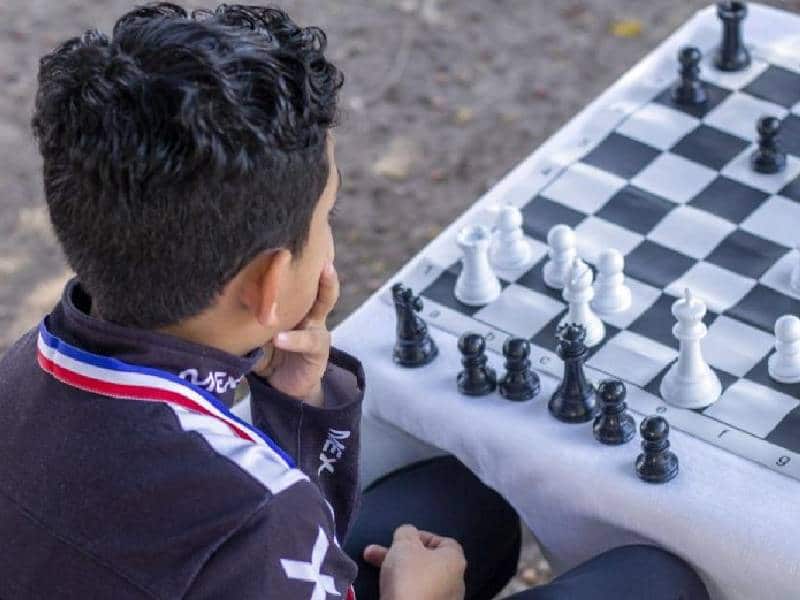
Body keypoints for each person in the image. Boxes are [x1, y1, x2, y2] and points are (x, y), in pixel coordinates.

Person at [0, 3, 709, 599]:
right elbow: (249, 521)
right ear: (272, 283)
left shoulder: (23, 370)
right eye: (326, 218)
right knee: (653, 583)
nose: (329, 241)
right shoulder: (258, 517)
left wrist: (297, 402)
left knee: (461, 508)